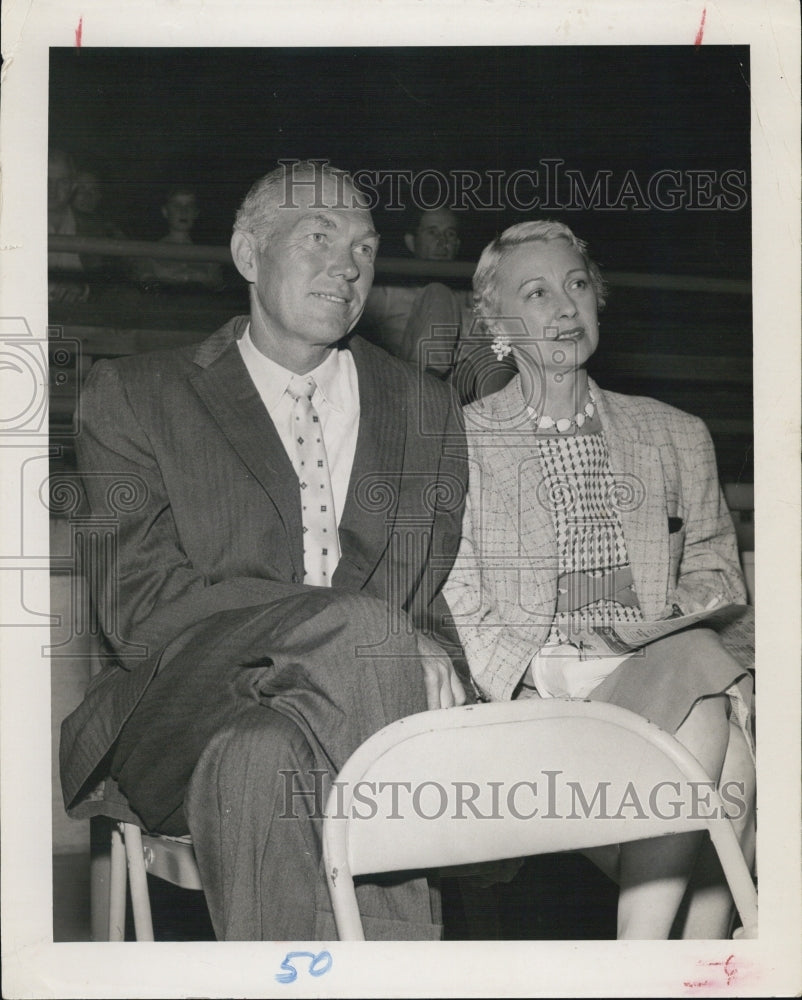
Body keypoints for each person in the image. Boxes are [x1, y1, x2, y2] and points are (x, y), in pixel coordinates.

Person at [60, 161, 469, 941]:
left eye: (365, 247)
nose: (347, 266)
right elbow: (142, 611)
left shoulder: (424, 408)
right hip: (178, 711)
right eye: (319, 237)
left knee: (260, 760)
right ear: (249, 256)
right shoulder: (136, 395)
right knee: (369, 633)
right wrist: (348, 627)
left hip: (343, 723)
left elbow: (427, 591)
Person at [443, 220, 755, 939]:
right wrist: (534, 666)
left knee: (711, 712)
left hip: (654, 665)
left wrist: (667, 616)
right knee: (729, 757)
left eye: (577, 284)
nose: (564, 305)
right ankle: (683, 961)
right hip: (537, 686)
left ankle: (647, 961)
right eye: (537, 291)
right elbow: (452, 590)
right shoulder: (461, 440)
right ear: (497, 323)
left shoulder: (675, 433)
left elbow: (715, 570)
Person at [358, 206, 468, 361]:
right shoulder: (389, 293)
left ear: (457, 243)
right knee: (438, 293)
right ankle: (427, 381)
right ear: (411, 242)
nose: (442, 241)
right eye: (432, 232)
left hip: (462, 380)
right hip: (404, 379)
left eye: (450, 233)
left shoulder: (473, 297)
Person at [131, 185, 224, 291]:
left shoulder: (210, 259)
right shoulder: (148, 255)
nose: (183, 211)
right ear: (165, 212)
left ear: (196, 213)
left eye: (190, 205)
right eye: (176, 206)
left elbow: (218, 293)